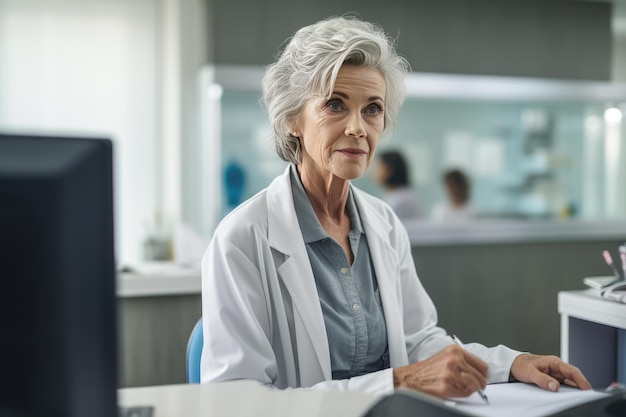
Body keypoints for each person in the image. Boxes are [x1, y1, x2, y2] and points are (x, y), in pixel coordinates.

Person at [200, 16, 591, 397]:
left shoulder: (383, 223)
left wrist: (511, 364)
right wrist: (398, 382)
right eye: (335, 104)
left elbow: (418, 341)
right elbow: (236, 400)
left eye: (372, 108)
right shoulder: (242, 238)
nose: (358, 127)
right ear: (291, 119)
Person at [374, 150, 422, 221]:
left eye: (379, 167)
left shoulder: (401, 200)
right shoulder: (395, 195)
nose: (375, 172)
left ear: (389, 170)